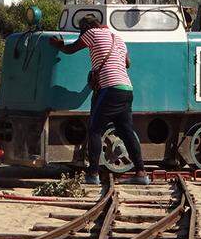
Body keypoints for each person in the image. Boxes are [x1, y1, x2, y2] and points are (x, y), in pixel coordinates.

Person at [48, 17, 150, 185]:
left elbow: (70, 49)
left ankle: (93, 174)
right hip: (126, 89)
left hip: (109, 89)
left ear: (86, 27)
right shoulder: (117, 38)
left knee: (95, 130)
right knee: (126, 132)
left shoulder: (91, 33)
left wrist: (58, 44)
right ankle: (141, 173)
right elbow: (127, 63)